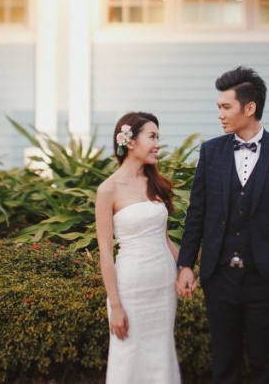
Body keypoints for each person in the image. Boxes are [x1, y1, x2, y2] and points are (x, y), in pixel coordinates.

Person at [175, 67, 269, 384]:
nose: (219, 114)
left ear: (249, 108)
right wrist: (186, 264)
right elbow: (197, 212)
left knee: (264, 367)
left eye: (225, 106)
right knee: (224, 367)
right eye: (218, 107)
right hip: (219, 277)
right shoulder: (211, 151)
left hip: (266, 279)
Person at [95, 111, 181, 384]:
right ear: (130, 141)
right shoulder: (107, 190)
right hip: (131, 290)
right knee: (128, 357)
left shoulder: (156, 183)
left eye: (158, 137)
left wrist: (186, 269)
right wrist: (116, 306)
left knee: (161, 355)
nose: (158, 144)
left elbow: (164, 238)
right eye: (152, 137)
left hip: (163, 286)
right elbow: (105, 253)